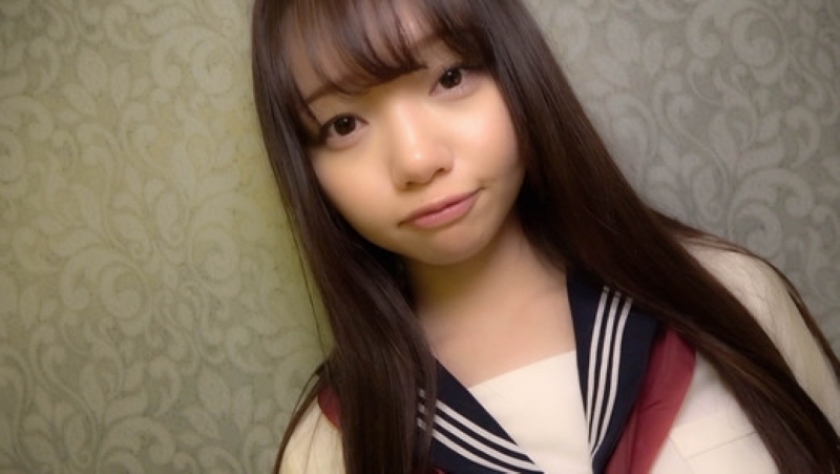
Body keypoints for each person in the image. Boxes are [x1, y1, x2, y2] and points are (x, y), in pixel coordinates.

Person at [250, 0, 840, 472]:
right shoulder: (330, 448)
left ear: (514, 70)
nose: (418, 159)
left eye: (450, 77)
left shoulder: (733, 297)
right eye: (343, 124)